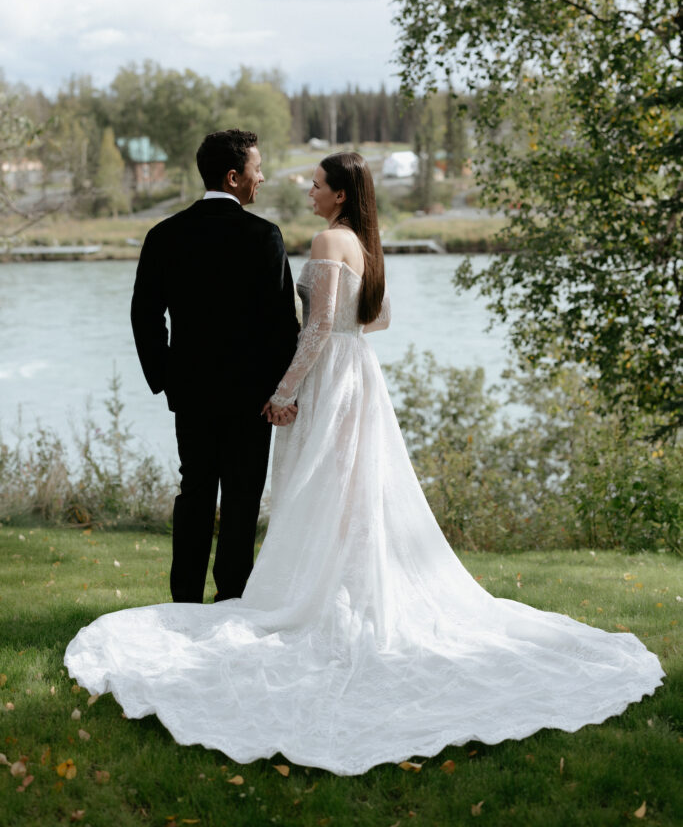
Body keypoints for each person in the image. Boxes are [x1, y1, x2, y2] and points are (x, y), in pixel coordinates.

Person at [66, 151, 664, 776]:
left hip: (299, 382)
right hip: (352, 378)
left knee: (251, 491)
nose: (301, 187)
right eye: (278, 172)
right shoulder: (354, 241)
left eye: (317, 183)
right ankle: (255, 592)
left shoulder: (252, 236)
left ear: (341, 194)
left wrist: (273, 389)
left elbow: (310, 325)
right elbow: (365, 319)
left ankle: (216, 600)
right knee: (324, 493)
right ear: (237, 174)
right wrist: (281, 370)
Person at [129, 128, 300, 604]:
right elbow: (283, 324)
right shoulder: (264, 235)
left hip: (192, 392)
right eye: (257, 169)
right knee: (242, 499)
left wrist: (163, 377)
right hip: (252, 395)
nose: (261, 178)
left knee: (195, 494)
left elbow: (144, 313)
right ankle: (231, 599)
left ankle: (184, 598)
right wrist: (283, 390)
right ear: (233, 176)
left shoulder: (165, 234)